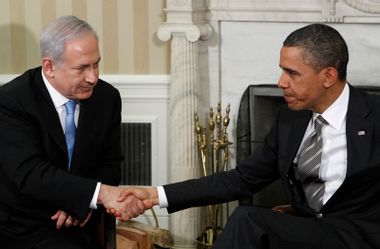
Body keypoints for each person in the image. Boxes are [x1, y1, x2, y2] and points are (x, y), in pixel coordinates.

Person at [116, 23, 380, 248]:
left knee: (248, 220)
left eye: (292, 73)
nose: (281, 82)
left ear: (328, 76)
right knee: (248, 219)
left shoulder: (374, 116)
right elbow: (241, 179)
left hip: (360, 236)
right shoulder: (290, 119)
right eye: (282, 70)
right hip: (308, 231)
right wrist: (156, 195)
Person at [0, 15, 144, 249]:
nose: (93, 77)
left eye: (96, 63)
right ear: (50, 67)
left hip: (79, 221)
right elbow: (30, 174)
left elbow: (111, 163)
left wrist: (84, 202)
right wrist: (94, 195)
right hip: (23, 226)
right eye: (82, 68)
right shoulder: (11, 102)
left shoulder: (107, 98)